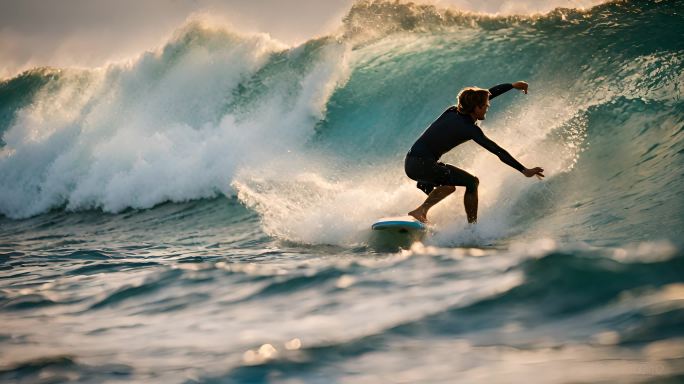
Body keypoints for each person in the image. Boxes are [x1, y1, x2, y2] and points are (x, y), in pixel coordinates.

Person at [405, 81, 544, 223]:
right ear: (477, 108)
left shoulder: (452, 111)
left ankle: (426, 198)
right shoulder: (470, 129)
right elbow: (497, 151)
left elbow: (486, 95)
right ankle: (471, 228)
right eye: (485, 106)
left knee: (448, 186)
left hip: (411, 164)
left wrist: (512, 86)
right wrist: (524, 170)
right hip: (423, 165)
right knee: (471, 182)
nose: (487, 108)